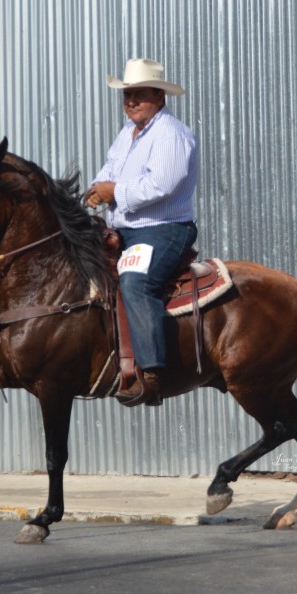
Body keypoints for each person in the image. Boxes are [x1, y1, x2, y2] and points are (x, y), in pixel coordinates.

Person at [85, 58, 199, 406]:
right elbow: (107, 172)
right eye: (127, 95)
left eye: (140, 94)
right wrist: (95, 190)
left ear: (160, 98)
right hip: (127, 230)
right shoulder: (126, 136)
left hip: (163, 231)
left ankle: (151, 373)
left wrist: (113, 193)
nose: (131, 101)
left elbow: (161, 184)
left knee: (136, 282)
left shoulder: (171, 134)